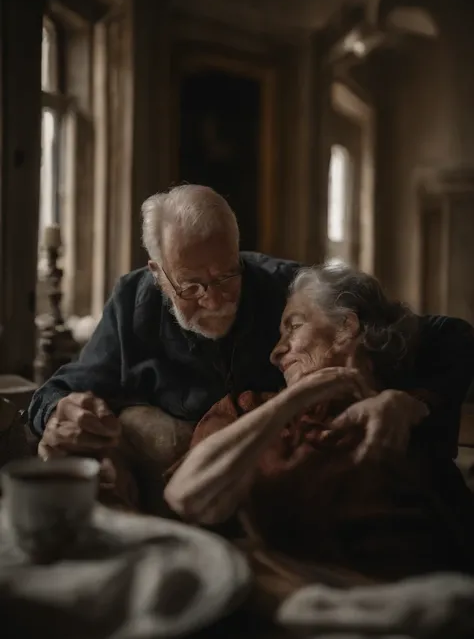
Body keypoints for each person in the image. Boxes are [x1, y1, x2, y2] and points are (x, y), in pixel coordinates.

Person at [29, 185, 474, 487]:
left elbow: (450, 335)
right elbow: (59, 391)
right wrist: (58, 414)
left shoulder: (290, 288)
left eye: (227, 274)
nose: (214, 298)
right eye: (191, 286)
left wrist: (415, 400)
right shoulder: (132, 300)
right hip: (186, 487)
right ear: (157, 274)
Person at [165, 263, 474, 581]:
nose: (276, 352)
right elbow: (185, 496)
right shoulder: (245, 409)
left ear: (345, 327)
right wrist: (296, 398)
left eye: (293, 327)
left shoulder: (407, 415)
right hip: (275, 590)